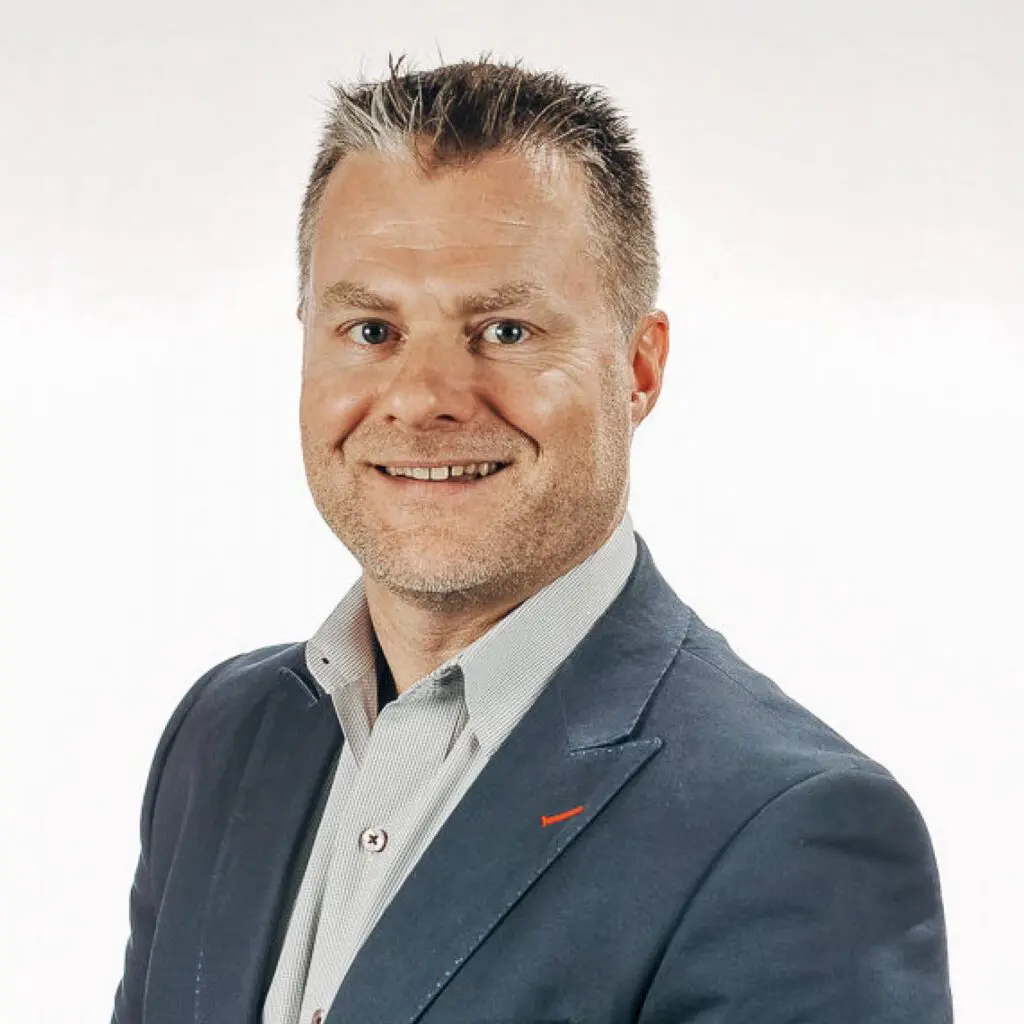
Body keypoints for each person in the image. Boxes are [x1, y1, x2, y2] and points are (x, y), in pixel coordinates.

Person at [111, 56, 953, 1023]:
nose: (423, 399)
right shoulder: (223, 737)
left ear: (638, 369)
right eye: (372, 330)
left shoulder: (789, 834)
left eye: (506, 331)